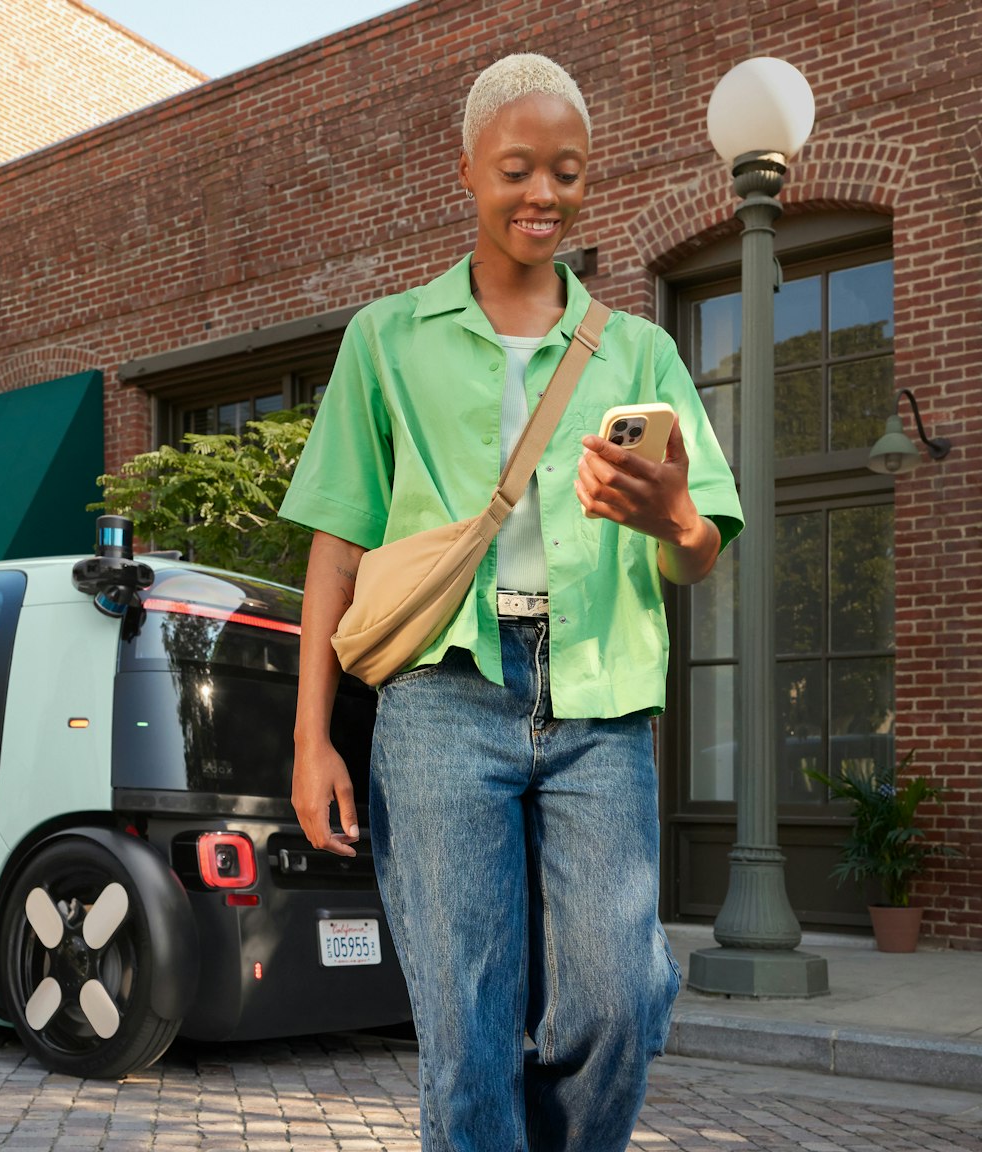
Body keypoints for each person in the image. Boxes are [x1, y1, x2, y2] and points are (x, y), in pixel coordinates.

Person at [280, 53, 742, 1152]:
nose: (543, 193)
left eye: (568, 173)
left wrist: (674, 516)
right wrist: (310, 740)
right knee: (464, 1028)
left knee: (619, 998)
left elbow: (697, 553)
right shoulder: (385, 340)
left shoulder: (638, 350)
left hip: (598, 705)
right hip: (441, 701)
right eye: (517, 168)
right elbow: (335, 548)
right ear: (467, 170)